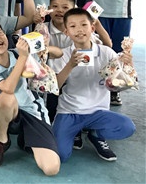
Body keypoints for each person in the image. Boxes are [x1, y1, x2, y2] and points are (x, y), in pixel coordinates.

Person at [0, 19, 60, 175]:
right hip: (7, 113)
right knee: (6, 97)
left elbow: (58, 53)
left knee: (51, 168)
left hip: (33, 110)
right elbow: (8, 88)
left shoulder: (18, 52)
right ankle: (2, 140)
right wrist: (23, 57)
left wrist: (44, 47)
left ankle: (25, 138)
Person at [52, 8, 136, 162]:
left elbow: (120, 82)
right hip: (70, 111)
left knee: (127, 127)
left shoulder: (107, 52)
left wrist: (128, 66)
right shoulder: (63, 54)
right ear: (66, 32)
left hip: (98, 111)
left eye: (84, 24)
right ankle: (75, 131)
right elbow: (55, 86)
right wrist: (70, 65)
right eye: (73, 26)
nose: (79, 30)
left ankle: (96, 134)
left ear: (92, 28)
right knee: (60, 156)